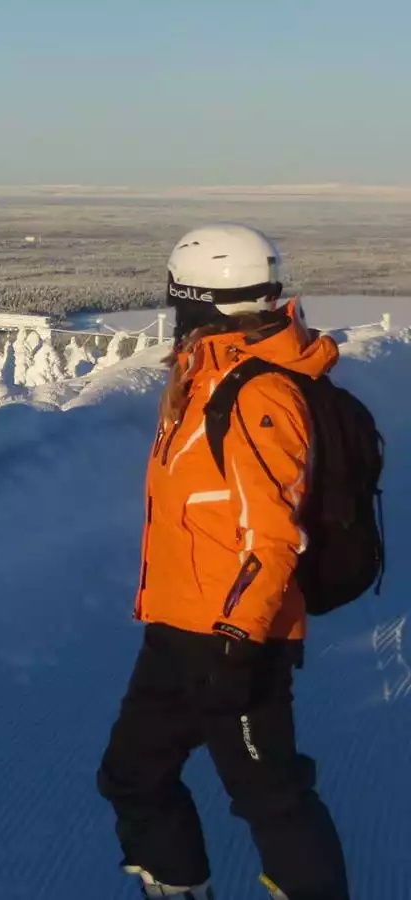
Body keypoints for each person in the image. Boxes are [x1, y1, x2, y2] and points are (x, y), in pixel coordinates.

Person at [97, 224, 350, 900]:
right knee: (133, 774)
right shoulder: (205, 376)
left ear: (200, 300)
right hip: (178, 627)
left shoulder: (257, 395)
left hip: (233, 636)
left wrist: (240, 642)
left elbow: (275, 536)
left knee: (273, 798)